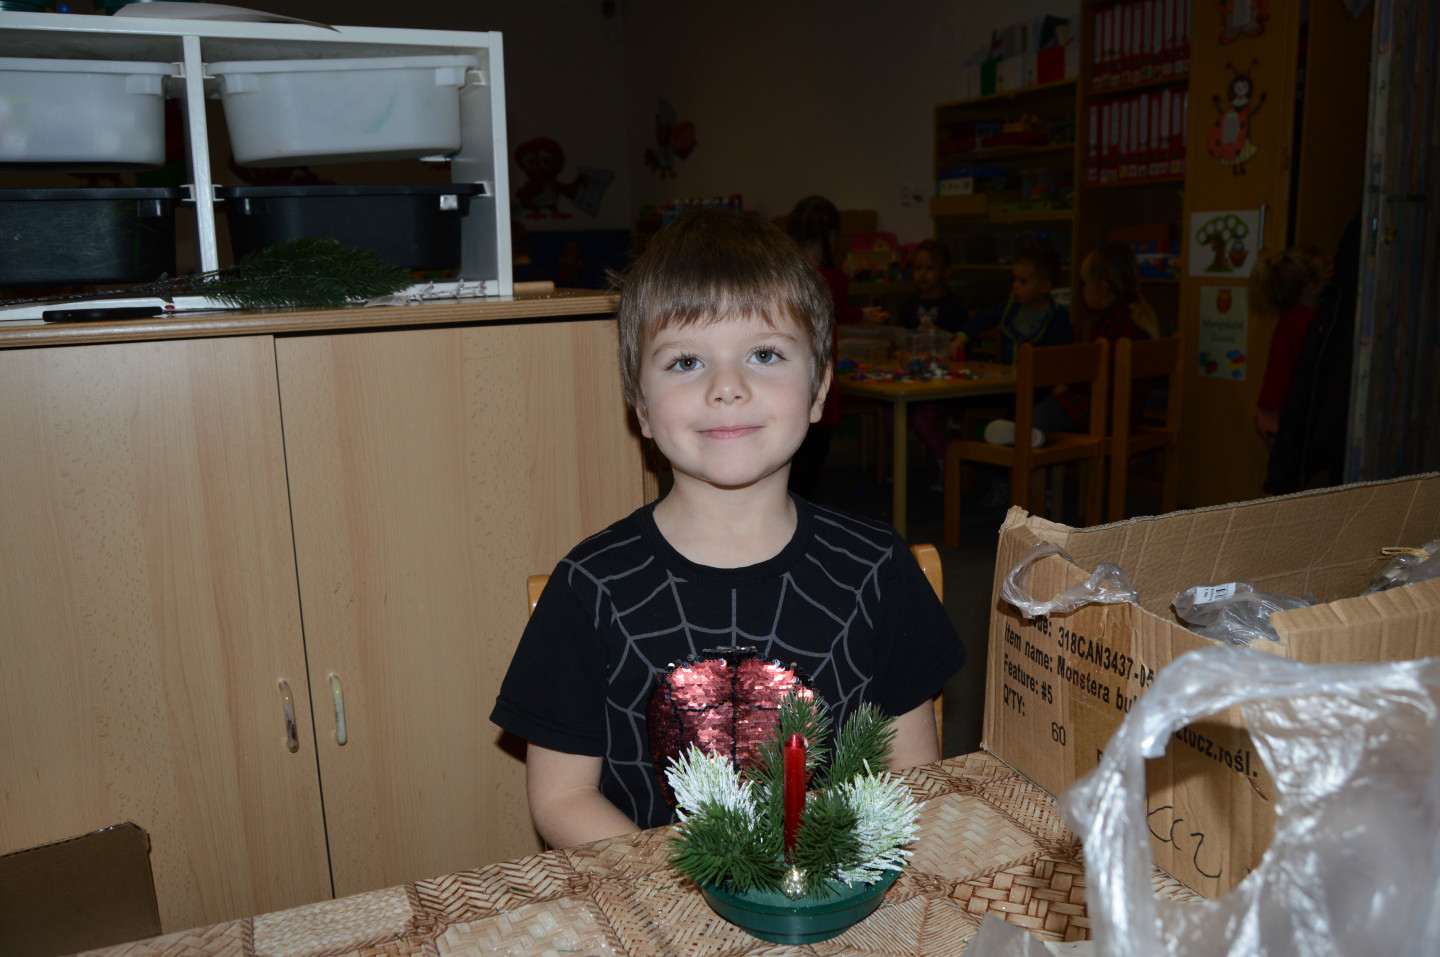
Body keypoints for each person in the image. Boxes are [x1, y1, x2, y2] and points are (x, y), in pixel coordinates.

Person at [490, 207, 965, 849]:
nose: (727, 387)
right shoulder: (588, 587)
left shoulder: (878, 568)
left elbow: (912, 779)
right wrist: (683, 887)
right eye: (686, 362)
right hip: (656, 895)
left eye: (764, 354)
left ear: (819, 390)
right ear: (641, 406)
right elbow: (561, 798)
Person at [983, 243, 1157, 449]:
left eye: (1084, 284)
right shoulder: (1134, 321)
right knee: (1046, 408)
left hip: (1103, 412)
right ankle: (1027, 433)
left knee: (1045, 409)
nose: (1082, 291)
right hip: (1125, 414)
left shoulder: (1116, 328)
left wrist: (1068, 386)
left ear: (1102, 287)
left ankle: (1024, 435)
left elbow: (1099, 373)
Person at [784, 195, 885, 497]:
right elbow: (835, 311)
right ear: (831, 235)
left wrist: (860, 314)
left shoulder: (784, 275)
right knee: (811, 464)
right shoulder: (834, 278)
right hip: (818, 384)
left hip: (786, 379)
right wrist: (862, 314)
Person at [895, 239, 968, 490]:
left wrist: (939, 335)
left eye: (929, 268)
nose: (922, 274)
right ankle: (902, 465)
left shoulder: (954, 305)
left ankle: (946, 467)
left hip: (943, 386)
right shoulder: (909, 305)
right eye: (917, 268)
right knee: (891, 417)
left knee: (923, 419)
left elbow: (960, 344)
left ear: (946, 272)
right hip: (913, 380)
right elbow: (901, 338)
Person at [1249, 247, 1327, 450]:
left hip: (1270, 410)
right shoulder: (1305, 319)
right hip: (1279, 413)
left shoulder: (1290, 316)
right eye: (1326, 273)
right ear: (1312, 288)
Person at [949, 244, 1072, 365]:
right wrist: (961, 338)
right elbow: (981, 320)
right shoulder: (1010, 305)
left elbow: (1064, 359)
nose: (1015, 286)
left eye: (1023, 281)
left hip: (1039, 377)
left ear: (1044, 286)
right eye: (1014, 279)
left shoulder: (1058, 318)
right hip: (1008, 375)